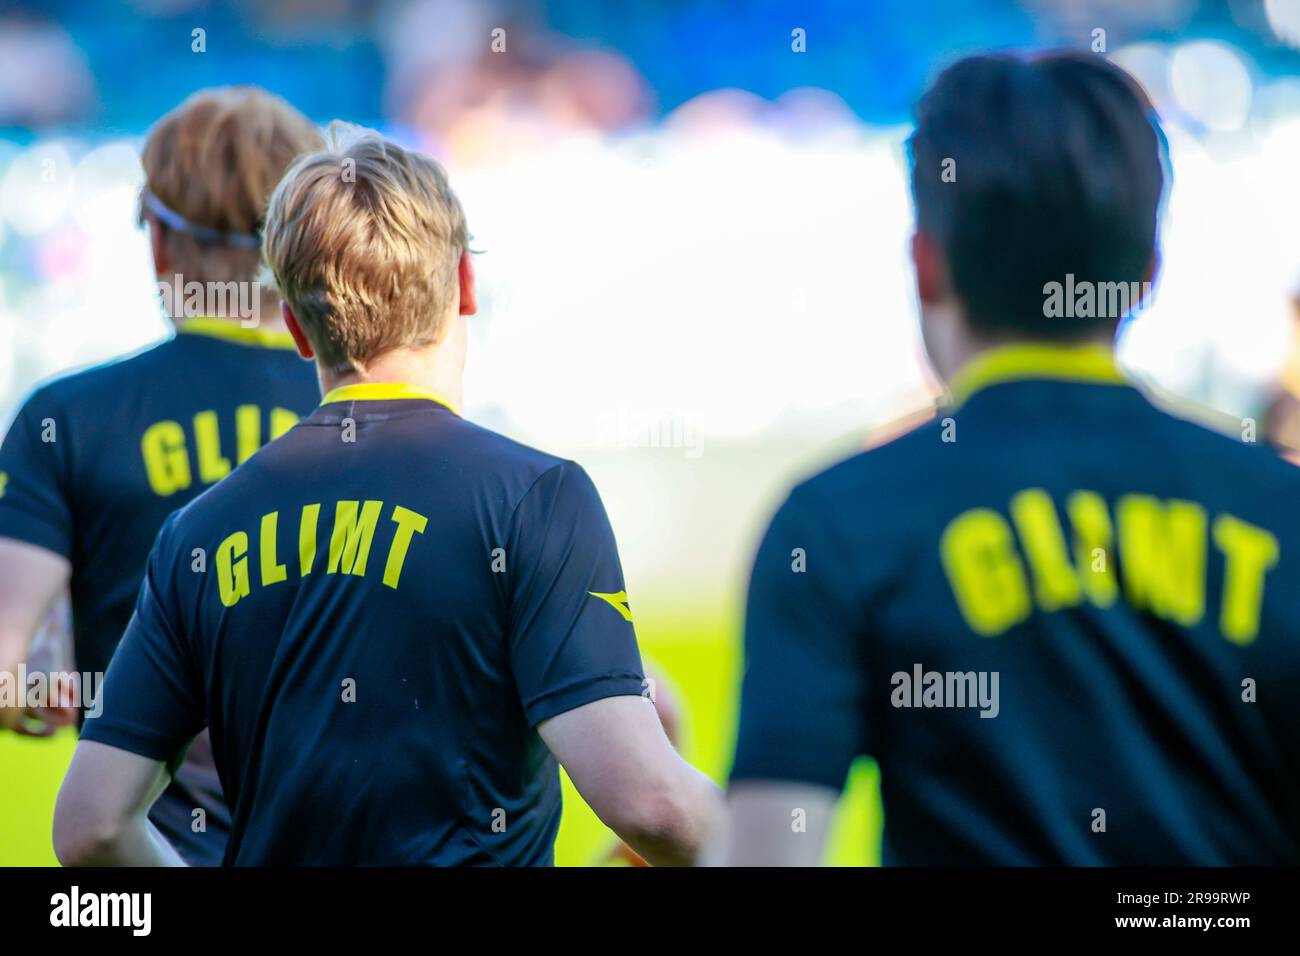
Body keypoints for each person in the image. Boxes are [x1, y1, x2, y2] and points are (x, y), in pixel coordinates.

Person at [53, 124, 721, 866]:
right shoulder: (534, 498)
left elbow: (90, 826)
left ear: (301, 330)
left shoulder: (197, 534)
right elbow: (653, 805)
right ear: (465, 283)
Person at [723, 51, 1300, 865]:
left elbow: (768, 855)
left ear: (925, 263)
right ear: (1147, 274)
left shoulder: (838, 522)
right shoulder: (1280, 505)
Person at [0, 86, 323, 865]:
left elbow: (8, 674)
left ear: (159, 245)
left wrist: (46, 688)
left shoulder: (69, 418)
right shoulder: (376, 412)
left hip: (152, 854)